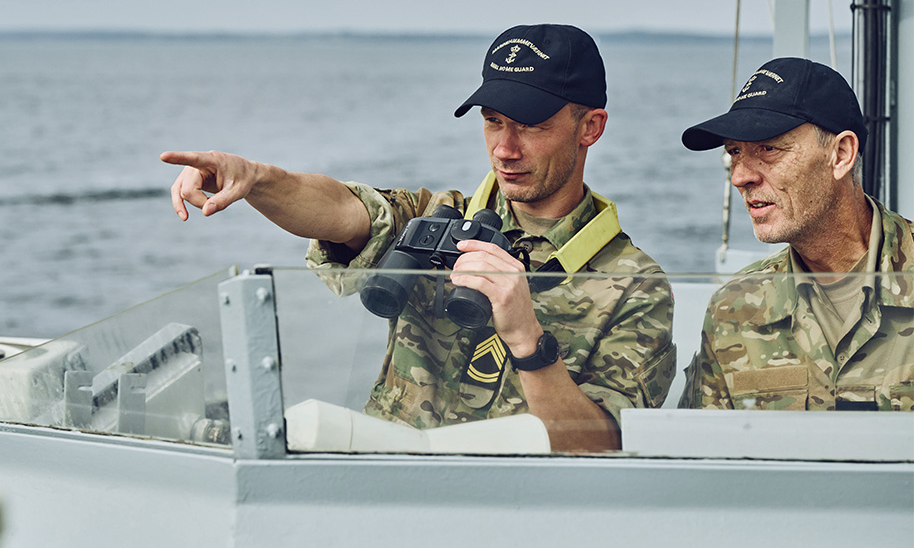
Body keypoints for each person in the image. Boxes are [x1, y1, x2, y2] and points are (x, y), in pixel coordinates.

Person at [162, 24, 675, 451]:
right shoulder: (436, 217)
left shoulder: (635, 285)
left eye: (532, 126)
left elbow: (602, 447)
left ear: (591, 127)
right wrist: (256, 178)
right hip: (387, 485)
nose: (505, 148)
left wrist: (527, 339)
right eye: (493, 122)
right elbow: (339, 208)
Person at [679, 56, 914, 411]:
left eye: (768, 149)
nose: (740, 176)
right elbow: (702, 459)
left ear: (841, 154)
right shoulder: (734, 309)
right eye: (735, 152)